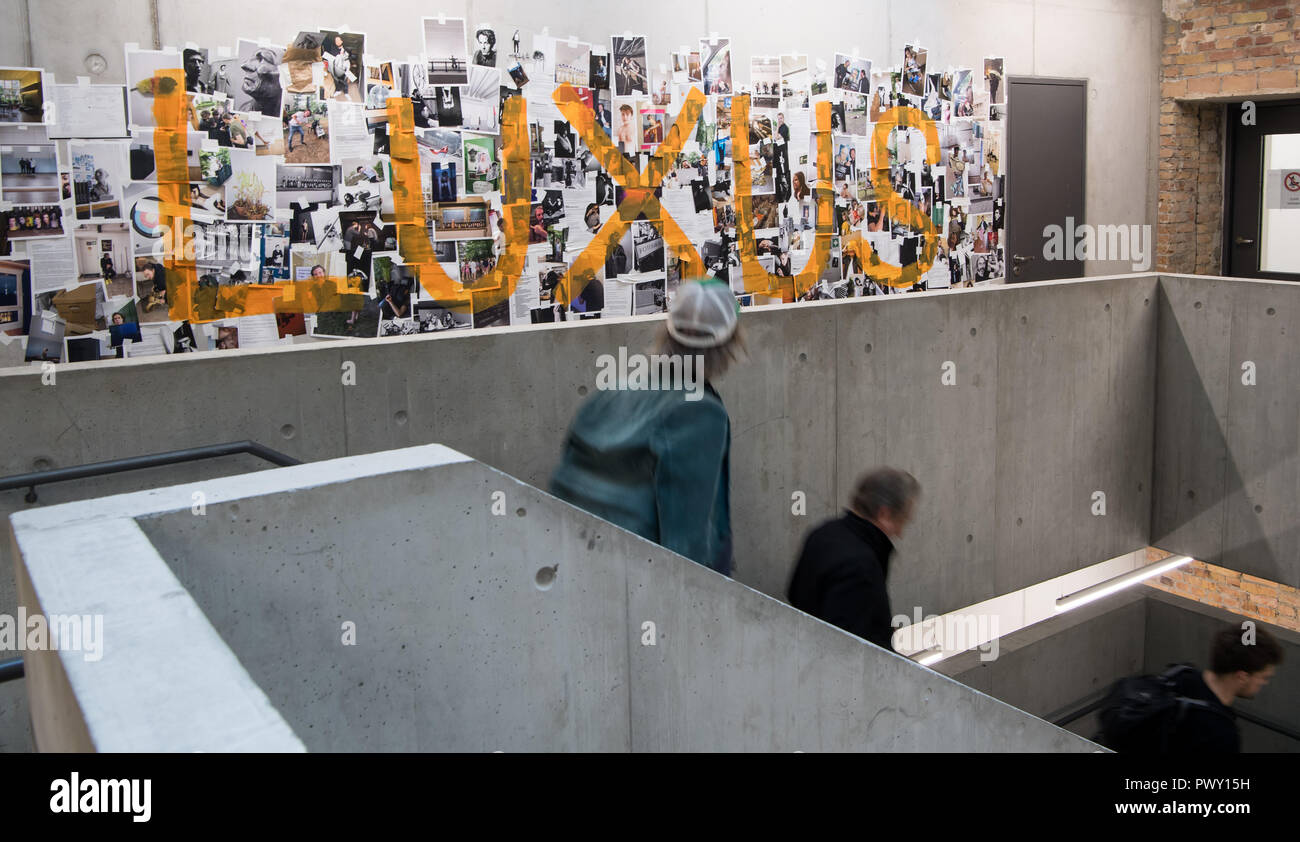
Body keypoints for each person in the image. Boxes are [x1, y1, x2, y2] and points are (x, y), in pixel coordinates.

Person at [550, 281, 745, 575]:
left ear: (666, 333)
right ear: (731, 342)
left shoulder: (612, 391)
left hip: (570, 562)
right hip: (637, 579)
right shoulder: (701, 413)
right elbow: (685, 548)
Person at [786, 467, 921, 650]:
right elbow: (850, 646)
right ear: (884, 514)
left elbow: (795, 594)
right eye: (902, 521)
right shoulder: (861, 566)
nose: (900, 533)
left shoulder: (822, 533)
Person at [1100, 625, 1283, 754]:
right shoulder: (1221, 734)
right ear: (1242, 676)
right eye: (1263, 677)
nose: (1264, 683)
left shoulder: (1182, 674)